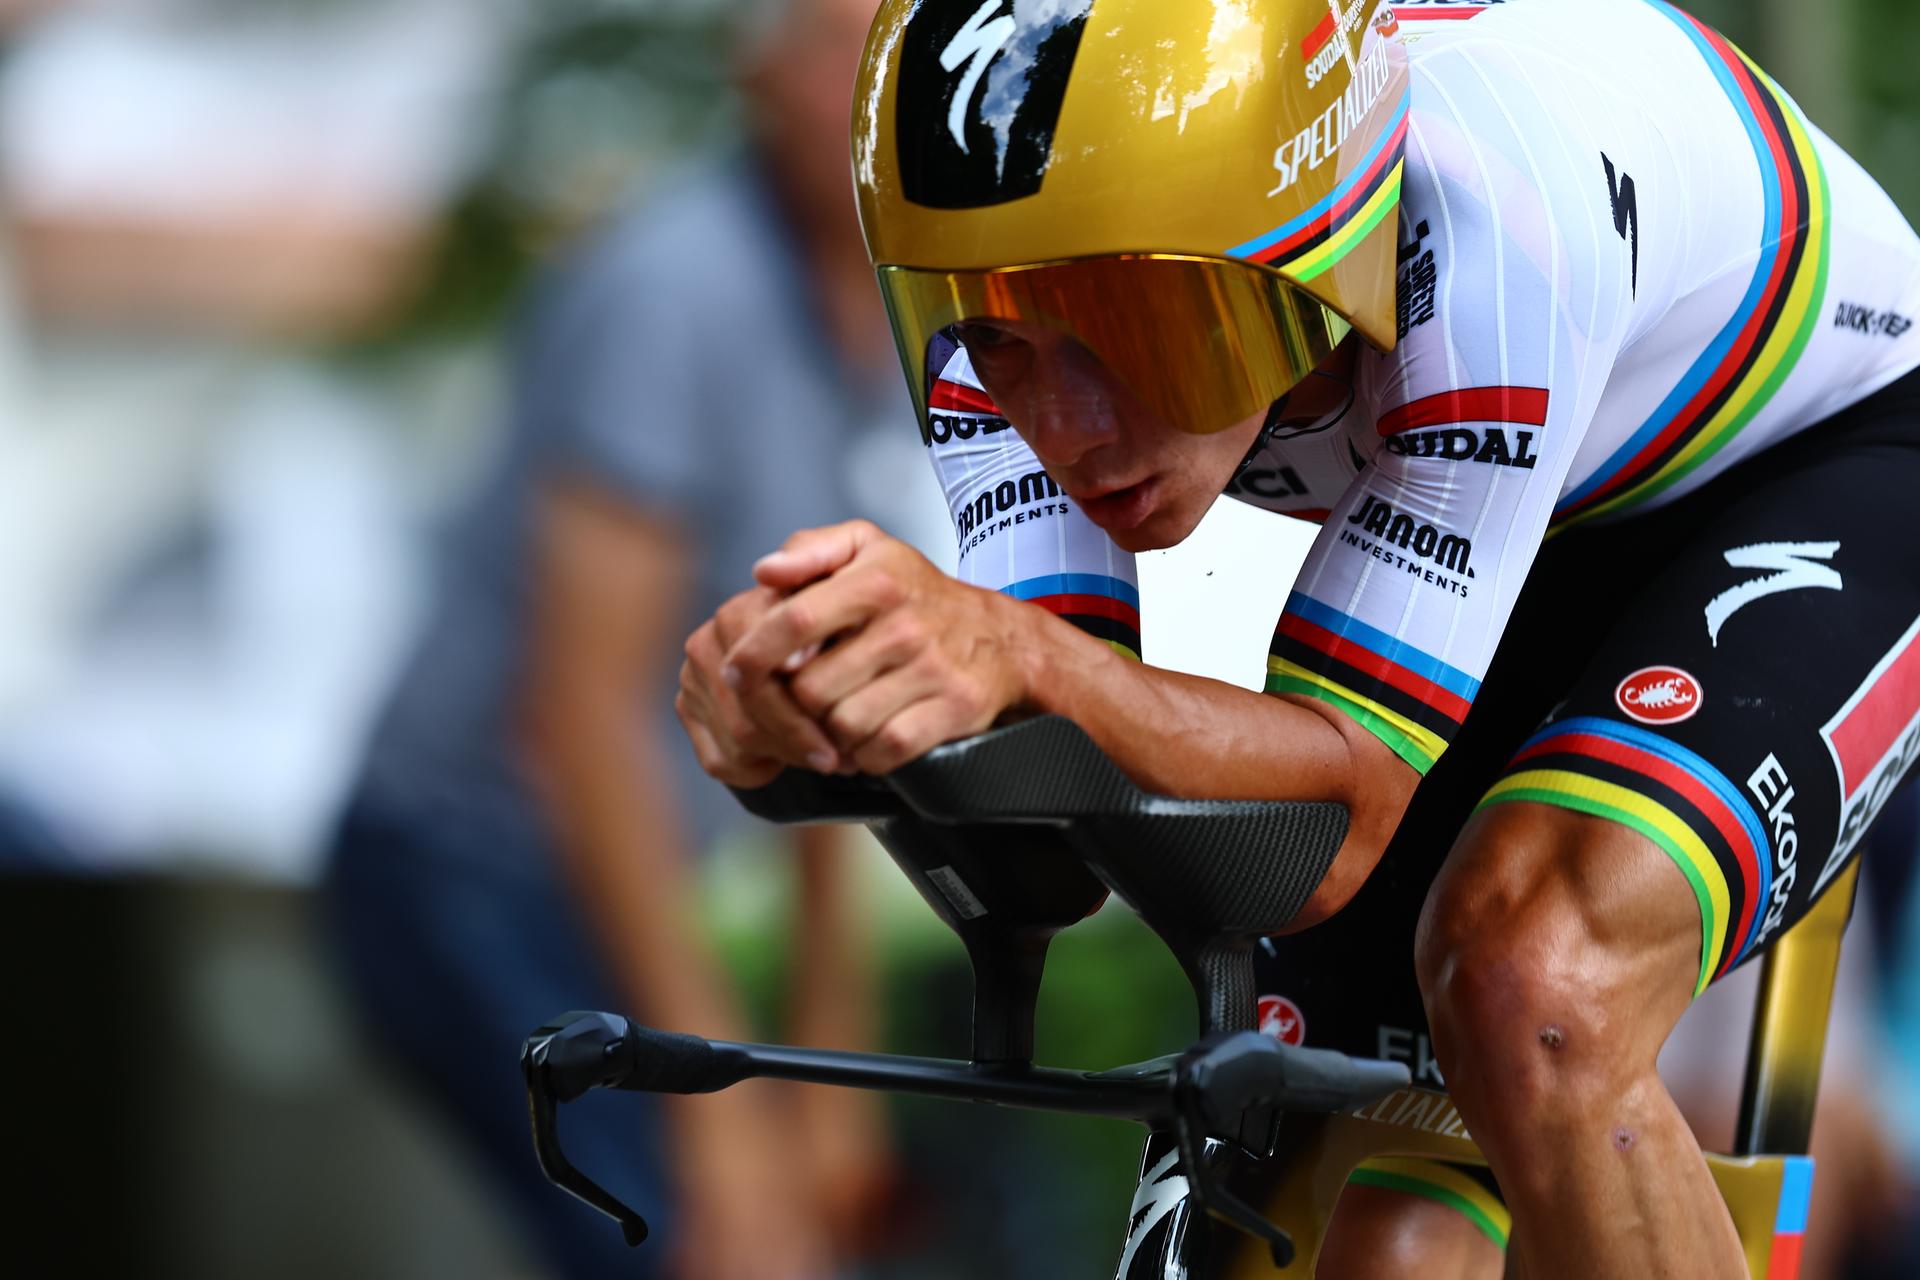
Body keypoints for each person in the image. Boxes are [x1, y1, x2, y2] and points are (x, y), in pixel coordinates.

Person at [676, 0, 1920, 1275]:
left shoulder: (1491, 231)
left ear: (1314, 252)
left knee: (1538, 988)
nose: (1066, 428)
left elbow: (1318, 837)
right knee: (1367, 1227)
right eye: (1001, 334)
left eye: (1142, 330)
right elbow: (1061, 819)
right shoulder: (998, 308)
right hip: (1517, 509)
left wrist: (1022, 655)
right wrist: (813, 713)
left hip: (1826, 461)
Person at [325, 1, 919, 1276]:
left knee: (792, 1231)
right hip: (463, 854)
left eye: (895, 56)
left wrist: (833, 1069)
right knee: (701, 1238)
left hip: (587, 872)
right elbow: (578, 715)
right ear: (753, 69)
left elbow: (822, 683)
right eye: (833, 56)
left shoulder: (874, 308)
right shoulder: (674, 286)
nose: (869, 99)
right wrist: (722, 1123)